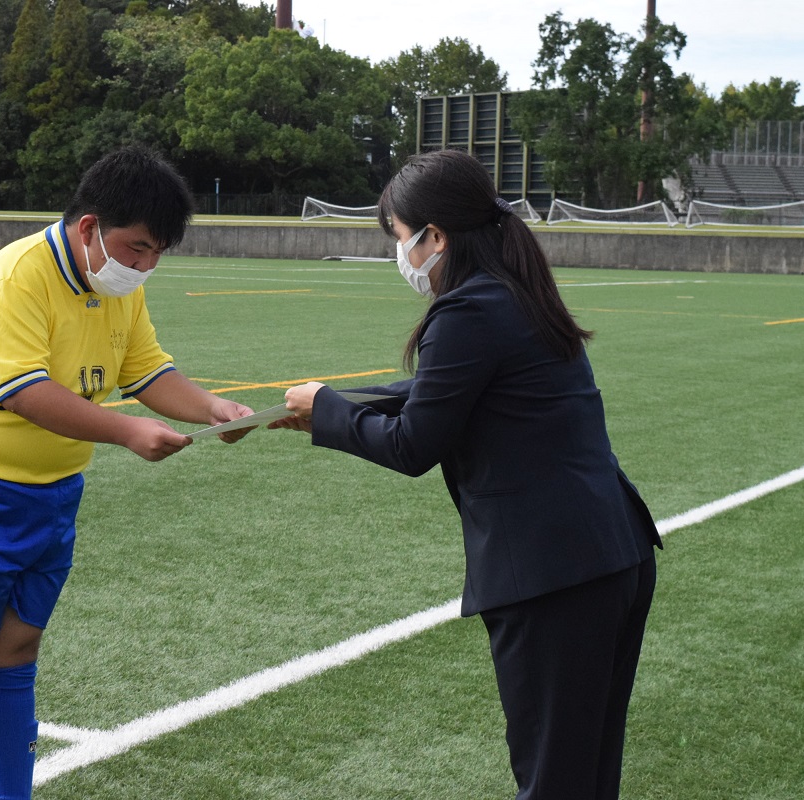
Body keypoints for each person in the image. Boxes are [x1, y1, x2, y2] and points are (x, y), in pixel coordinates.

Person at [269, 149, 662, 799]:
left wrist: (327, 417)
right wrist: (336, 404)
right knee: (585, 774)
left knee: (553, 781)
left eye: (399, 239)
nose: (401, 255)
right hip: (609, 554)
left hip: (553, 575)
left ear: (434, 236)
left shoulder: (467, 311)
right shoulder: (515, 294)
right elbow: (446, 392)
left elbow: (412, 444)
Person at [0, 146, 254, 800]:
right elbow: (22, 390)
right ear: (89, 227)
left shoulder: (120, 286)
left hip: (51, 497)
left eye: (157, 254)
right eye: (136, 247)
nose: (143, 266)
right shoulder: (18, 274)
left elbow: (146, 371)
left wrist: (213, 409)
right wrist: (126, 430)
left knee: (17, 651)